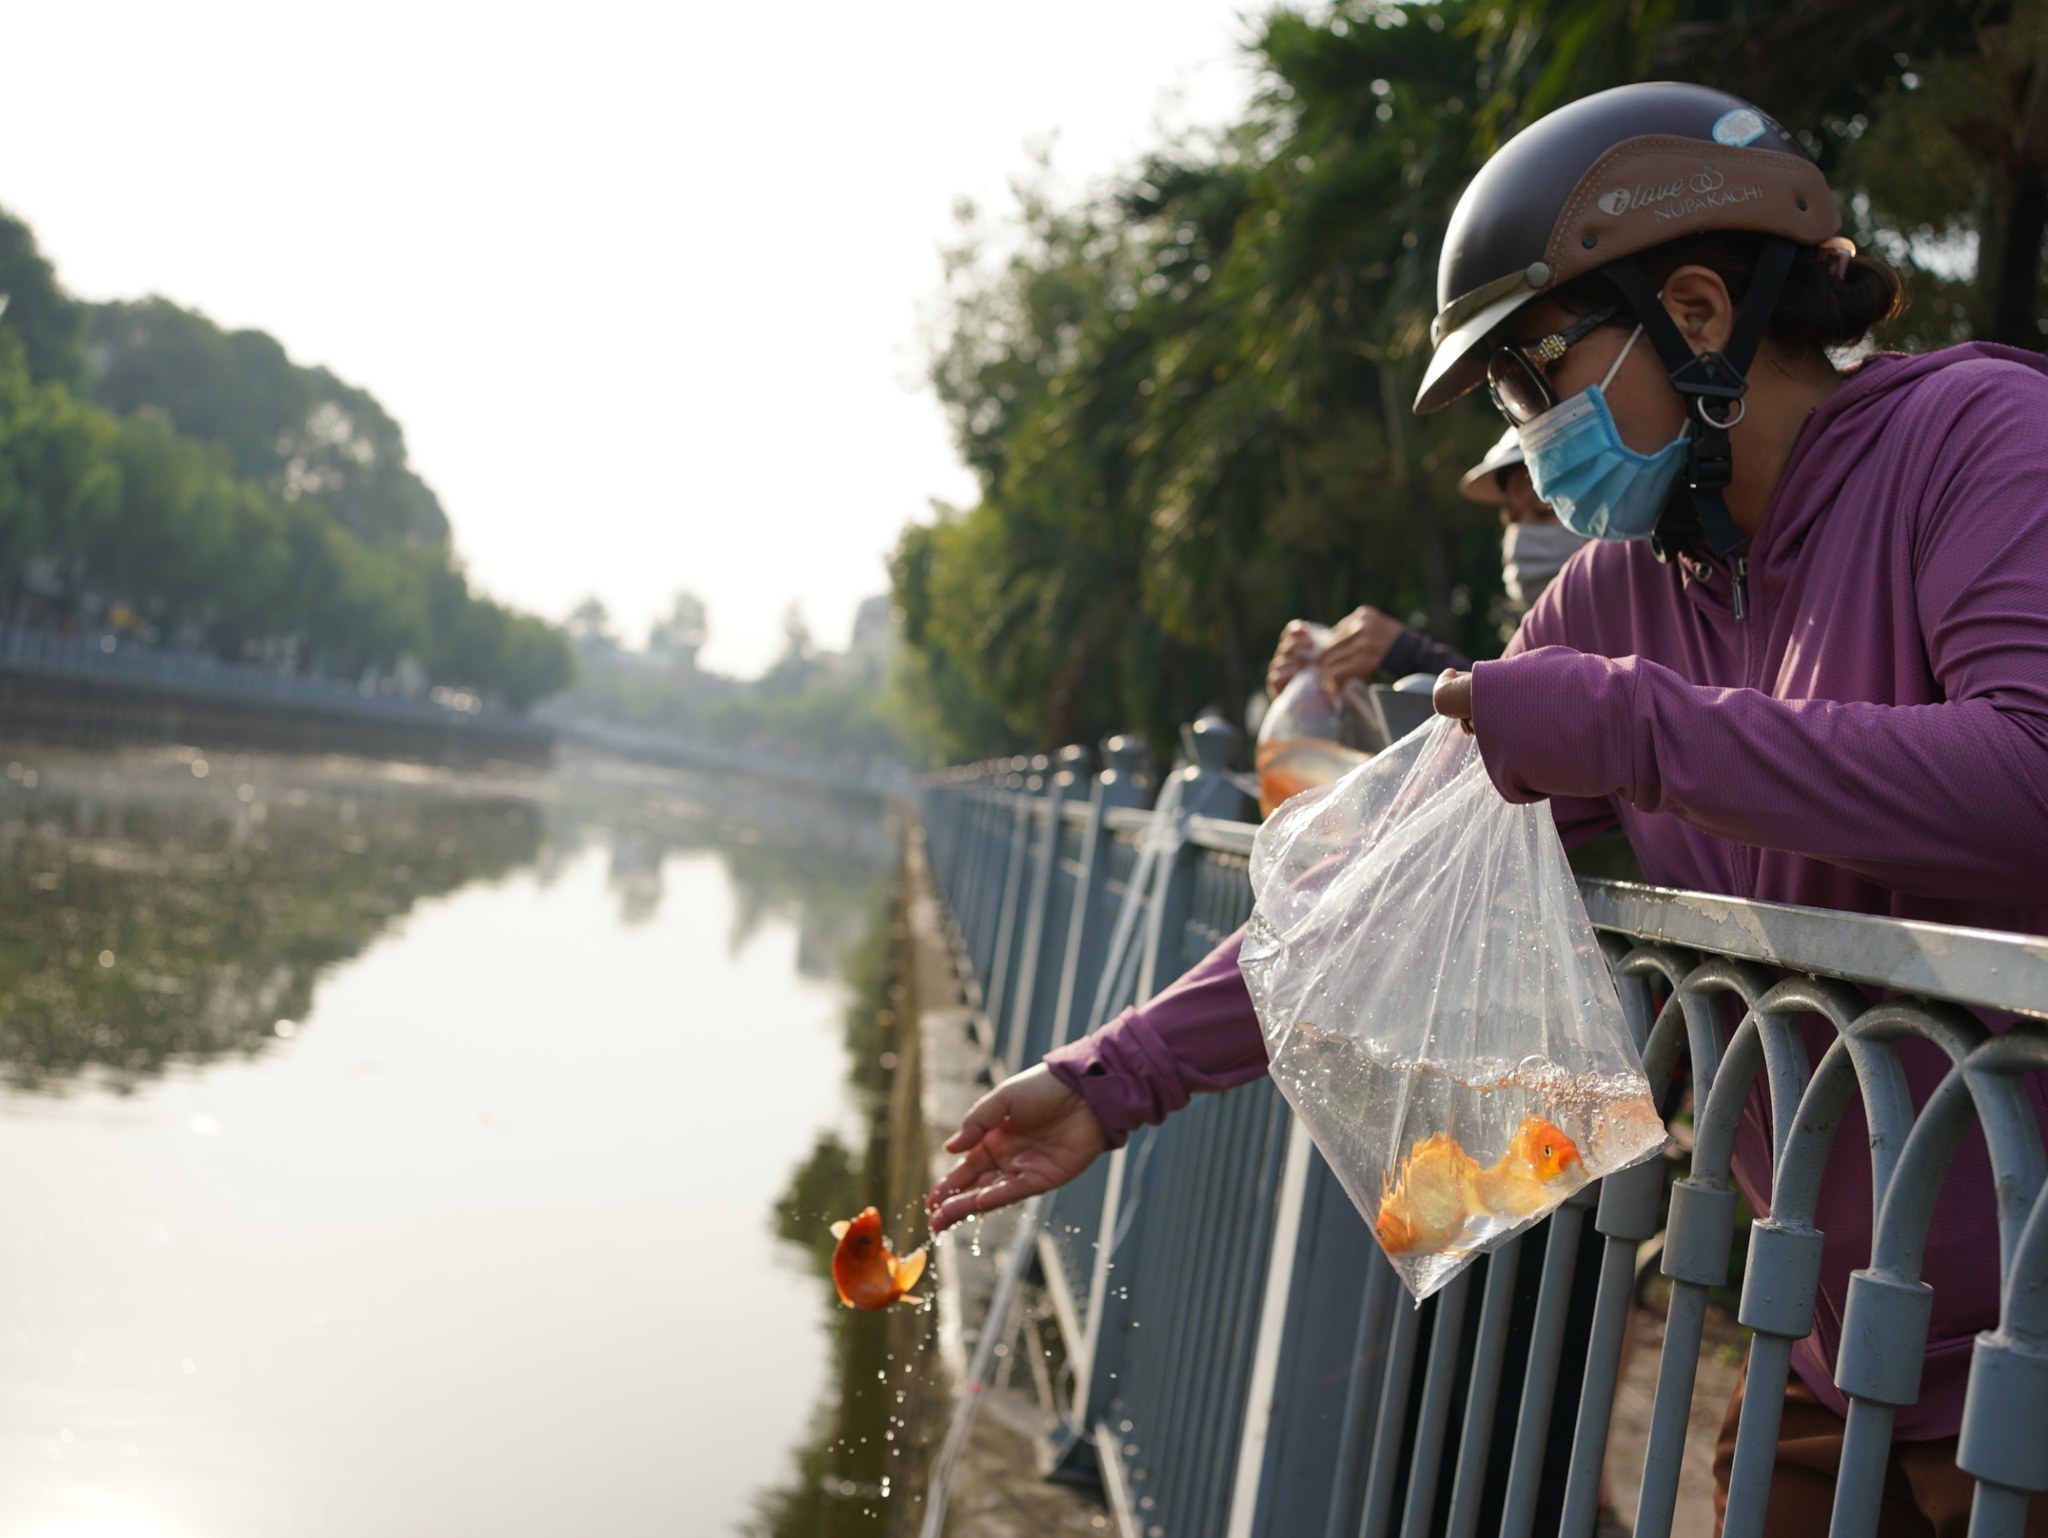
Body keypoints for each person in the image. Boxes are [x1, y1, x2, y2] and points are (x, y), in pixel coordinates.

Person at [928, 80, 2048, 1538]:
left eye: (1535, 375)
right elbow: (1386, 882)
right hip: (1832, 1337)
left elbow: (2027, 780)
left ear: (1697, 311)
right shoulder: (1620, 592)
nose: (1528, 439)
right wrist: (1110, 1078)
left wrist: (1634, 731)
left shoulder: (1978, 438)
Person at [1264, 432, 1585, 703]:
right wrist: (1320, 699)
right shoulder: (1531, 641)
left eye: (1545, 512)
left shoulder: (1629, 628)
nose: (1523, 535)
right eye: (1512, 516)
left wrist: (1408, 655)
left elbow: (1551, 717)